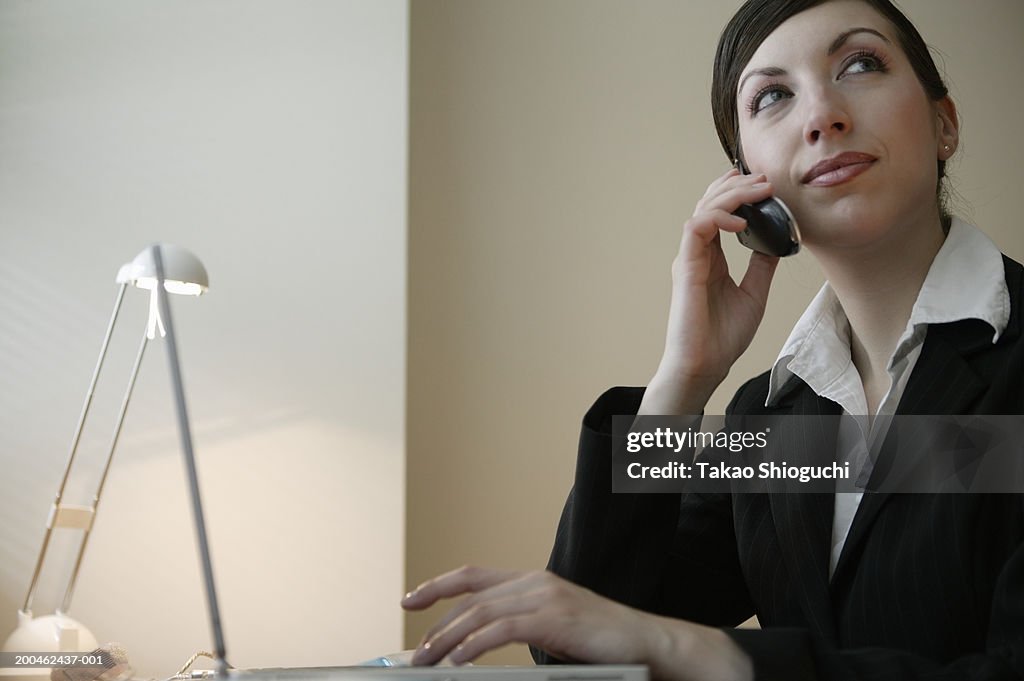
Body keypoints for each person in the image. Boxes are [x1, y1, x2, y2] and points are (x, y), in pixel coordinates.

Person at [401, 0, 1024, 679]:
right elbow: (577, 640)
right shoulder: (772, 418)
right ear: (748, 185)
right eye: (774, 97)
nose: (821, 115)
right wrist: (683, 379)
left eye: (861, 64)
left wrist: (696, 649)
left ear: (945, 123)